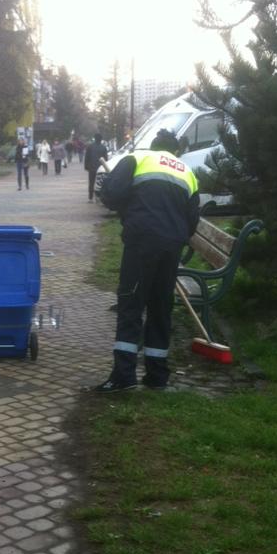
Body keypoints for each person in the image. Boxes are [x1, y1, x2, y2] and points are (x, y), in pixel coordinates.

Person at [93, 129, 200, 393]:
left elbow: (110, 195)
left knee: (131, 303)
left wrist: (126, 205)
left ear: (153, 146)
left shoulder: (138, 159)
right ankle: (157, 375)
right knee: (160, 307)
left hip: (143, 241)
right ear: (175, 151)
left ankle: (124, 375)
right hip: (172, 245)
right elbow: (192, 220)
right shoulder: (187, 172)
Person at [84, 132, 108, 201]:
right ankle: (99, 197)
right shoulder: (103, 147)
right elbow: (106, 159)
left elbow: (87, 157)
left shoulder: (90, 146)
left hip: (92, 167)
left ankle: (90, 197)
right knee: (100, 183)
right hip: (100, 168)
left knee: (91, 182)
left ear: (94, 138)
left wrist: (86, 166)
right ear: (101, 139)